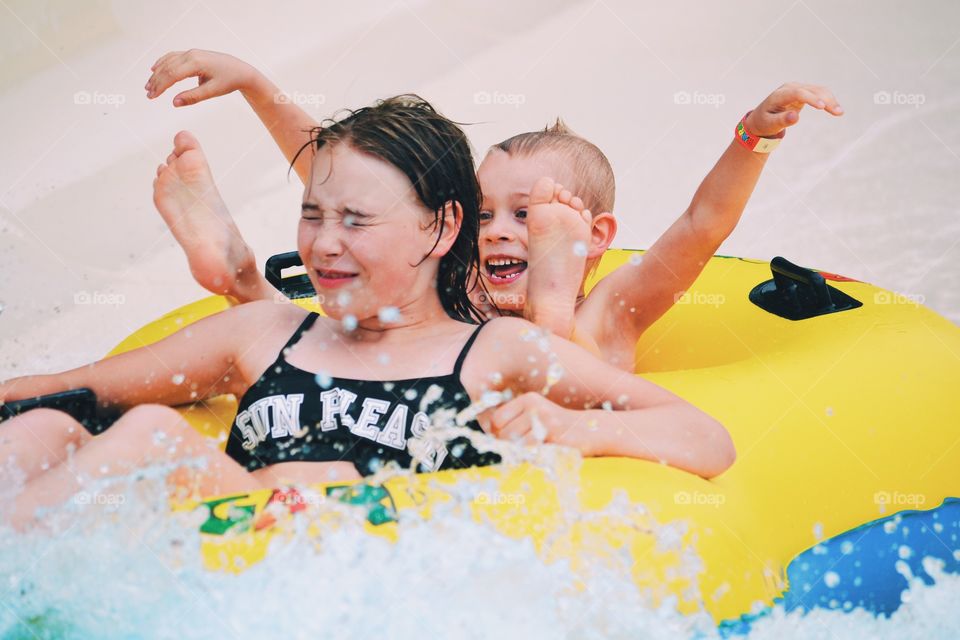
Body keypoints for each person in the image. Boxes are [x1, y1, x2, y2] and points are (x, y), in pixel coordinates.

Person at [0, 96, 734, 530]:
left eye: (355, 220)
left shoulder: (497, 351)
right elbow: (80, 385)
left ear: (441, 229)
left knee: (155, 435)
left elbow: (703, 437)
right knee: (45, 426)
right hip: (224, 549)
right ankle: (235, 268)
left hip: (349, 553)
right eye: (312, 215)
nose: (323, 243)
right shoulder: (262, 331)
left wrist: (576, 427)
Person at [144, 49, 843, 370]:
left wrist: (756, 133)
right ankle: (241, 279)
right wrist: (256, 86)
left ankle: (550, 308)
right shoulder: (459, 289)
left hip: (556, 422)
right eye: (480, 217)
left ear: (593, 236)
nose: (498, 232)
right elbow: (350, 185)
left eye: (528, 216)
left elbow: (701, 226)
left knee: (558, 344)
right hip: (447, 428)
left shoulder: (615, 311)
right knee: (327, 333)